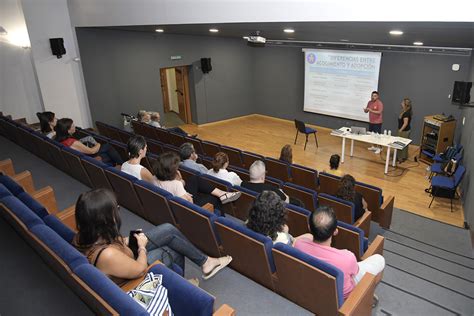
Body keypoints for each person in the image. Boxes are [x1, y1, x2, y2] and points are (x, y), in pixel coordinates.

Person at [73, 188, 232, 285]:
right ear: (104, 218)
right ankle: (181, 286)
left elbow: (114, 246)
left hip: (124, 260)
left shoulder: (87, 234)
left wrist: (129, 240)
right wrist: (141, 247)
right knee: (171, 250)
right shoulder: (107, 254)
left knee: (169, 230)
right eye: (115, 209)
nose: (118, 210)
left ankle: (205, 262)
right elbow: (140, 270)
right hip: (132, 280)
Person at [294, 206, 385, 299]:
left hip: (315, 287)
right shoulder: (347, 257)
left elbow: (306, 238)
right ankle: (366, 296)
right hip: (345, 298)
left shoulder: (298, 244)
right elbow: (355, 272)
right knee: (379, 259)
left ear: (309, 227)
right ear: (335, 231)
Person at [153, 152, 240, 207]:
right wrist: (186, 194)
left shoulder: (154, 178)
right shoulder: (176, 184)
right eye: (176, 167)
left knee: (195, 178)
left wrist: (180, 182)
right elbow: (189, 206)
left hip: (175, 197)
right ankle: (221, 213)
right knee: (213, 198)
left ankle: (222, 193)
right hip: (188, 207)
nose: (177, 169)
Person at [246, 191, 312, 245]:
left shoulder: (248, 223)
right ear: (279, 215)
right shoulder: (282, 239)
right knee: (309, 236)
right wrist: (286, 234)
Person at [54, 118, 124, 166]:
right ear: (68, 130)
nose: (74, 126)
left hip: (80, 159)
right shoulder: (73, 142)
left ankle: (115, 165)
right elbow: (92, 151)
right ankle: (122, 164)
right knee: (107, 147)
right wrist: (98, 144)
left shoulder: (57, 139)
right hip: (87, 161)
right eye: (72, 126)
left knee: (107, 153)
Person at [397, 97, 412, 163]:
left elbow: (405, 123)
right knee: (403, 144)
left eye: (402, 103)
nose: (401, 103)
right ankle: (402, 157)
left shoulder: (406, 113)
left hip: (404, 131)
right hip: (403, 130)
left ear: (405, 105)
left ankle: (401, 158)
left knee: (401, 144)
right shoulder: (404, 111)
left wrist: (400, 130)